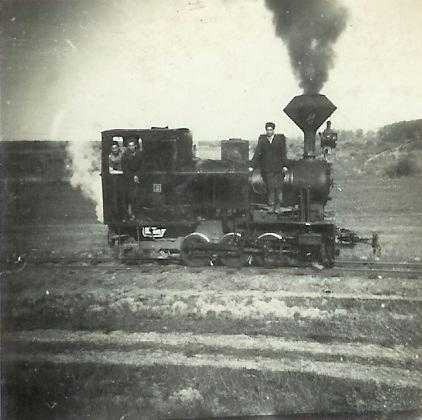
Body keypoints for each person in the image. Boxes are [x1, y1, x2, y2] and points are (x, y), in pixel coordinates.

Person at [250, 122, 287, 208]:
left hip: (278, 168)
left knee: (278, 187)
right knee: (270, 187)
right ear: (266, 130)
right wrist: (252, 165)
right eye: (268, 130)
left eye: (271, 130)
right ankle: (271, 205)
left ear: (273, 130)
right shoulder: (263, 141)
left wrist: (285, 165)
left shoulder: (279, 140)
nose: (269, 131)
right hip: (267, 168)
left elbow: (283, 153)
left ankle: (278, 206)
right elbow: (257, 153)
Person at [121, 137, 143, 220]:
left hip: (139, 178)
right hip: (128, 179)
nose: (131, 147)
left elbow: (142, 166)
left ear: (135, 146)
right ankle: (129, 214)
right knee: (129, 197)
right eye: (129, 146)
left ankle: (137, 214)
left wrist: (137, 175)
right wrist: (132, 176)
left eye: (133, 145)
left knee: (138, 196)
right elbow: (124, 168)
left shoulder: (140, 154)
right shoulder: (125, 155)